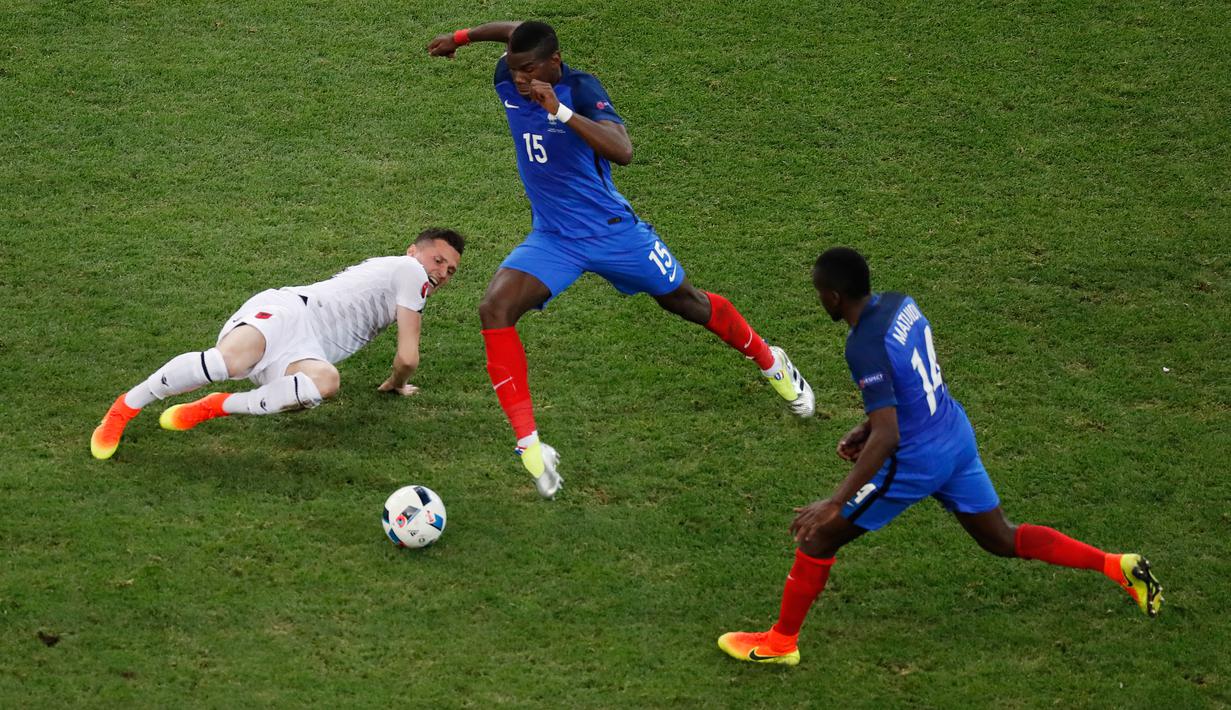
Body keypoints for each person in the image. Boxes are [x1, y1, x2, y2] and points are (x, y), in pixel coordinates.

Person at [717, 247, 1163, 666]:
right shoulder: (900, 305)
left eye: (819, 292)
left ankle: (780, 643)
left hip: (917, 459)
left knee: (819, 538)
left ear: (834, 295)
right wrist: (866, 424)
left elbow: (889, 436)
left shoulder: (862, 346)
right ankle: (1116, 566)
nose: (820, 300)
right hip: (953, 434)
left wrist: (835, 500)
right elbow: (908, 382)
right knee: (1000, 539)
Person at [427, 21, 814, 500]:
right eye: (515, 69)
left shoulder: (581, 89)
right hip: (554, 239)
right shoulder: (506, 77)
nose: (522, 79)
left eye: (530, 70)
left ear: (554, 62)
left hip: (615, 235)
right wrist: (461, 39)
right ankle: (530, 446)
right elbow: (514, 30)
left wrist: (561, 110)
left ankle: (771, 361)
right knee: (495, 308)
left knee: (686, 302)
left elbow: (623, 151)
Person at [89, 228, 465, 459]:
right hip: (289, 313)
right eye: (438, 260)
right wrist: (397, 383)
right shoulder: (409, 272)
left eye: (450, 271)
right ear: (412, 252)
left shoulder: (406, 280)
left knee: (324, 383)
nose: (441, 273)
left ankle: (216, 406)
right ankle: (124, 409)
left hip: (306, 351)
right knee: (227, 364)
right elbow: (408, 357)